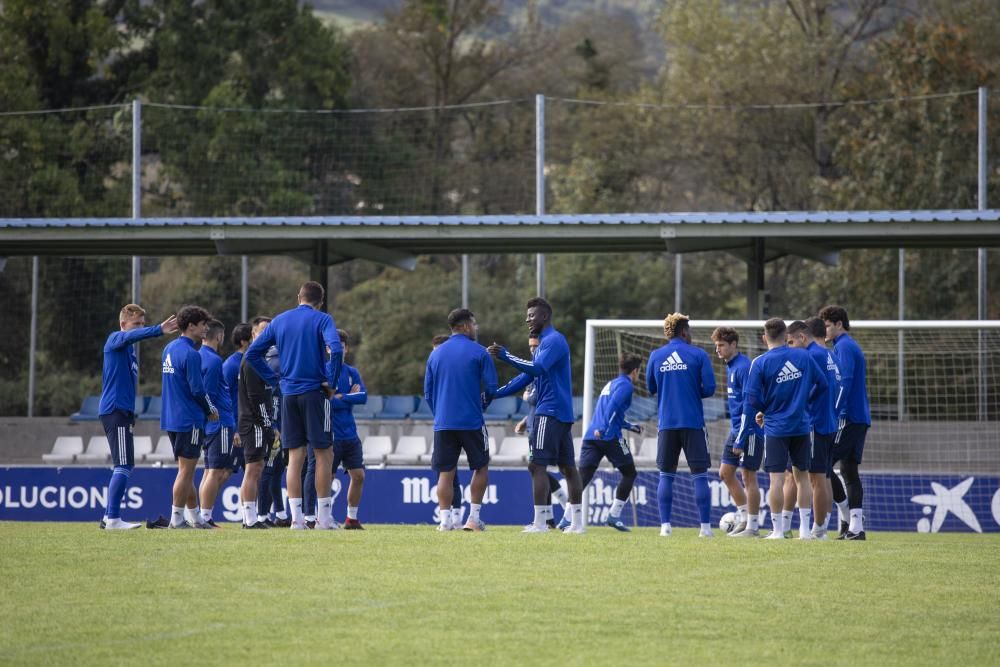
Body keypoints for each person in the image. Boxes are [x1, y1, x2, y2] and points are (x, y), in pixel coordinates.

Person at [245, 282, 342, 530]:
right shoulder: (323, 319)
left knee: (294, 457)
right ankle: (323, 518)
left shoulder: (279, 321)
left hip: (288, 395)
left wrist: (274, 379)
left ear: (298, 297)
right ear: (321, 301)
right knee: (323, 455)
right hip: (314, 393)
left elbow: (253, 353)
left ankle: (296, 520)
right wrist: (331, 382)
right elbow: (337, 349)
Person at [489, 297, 585, 534]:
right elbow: (527, 377)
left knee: (536, 465)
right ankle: (578, 524)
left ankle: (541, 523)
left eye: (531, 315)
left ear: (544, 316)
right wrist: (495, 394)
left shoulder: (553, 340)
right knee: (567, 467)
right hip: (560, 413)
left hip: (548, 411)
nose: (527, 319)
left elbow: (537, 369)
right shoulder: (544, 344)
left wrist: (506, 356)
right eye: (527, 315)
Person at [744, 318, 827, 540]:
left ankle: (778, 531)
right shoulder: (803, 356)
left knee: (776, 480)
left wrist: (766, 409)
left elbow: (751, 398)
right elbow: (824, 384)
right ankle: (805, 531)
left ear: (764, 338)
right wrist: (805, 403)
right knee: (802, 477)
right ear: (785, 337)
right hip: (801, 425)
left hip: (776, 428)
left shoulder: (760, 362)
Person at [98, 304, 178, 529]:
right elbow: (129, 337)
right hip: (115, 410)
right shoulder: (115, 339)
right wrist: (157, 330)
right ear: (123, 325)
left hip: (122, 412)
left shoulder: (130, 351)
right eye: (136, 324)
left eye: (143, 324)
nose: (139, 328)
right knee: (123, 464)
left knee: (126, 464)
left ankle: (108, 518)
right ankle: (113, 518)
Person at [425, 309, 498, 532]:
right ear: (466, 326)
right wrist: (481, 405)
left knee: (446, 472)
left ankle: (445, 521)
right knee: (481, 466)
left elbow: (428, 393)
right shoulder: (480, 353)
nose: (476, 329)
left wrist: (440, 413)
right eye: (474, 325)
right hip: (472, 422)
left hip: (444, 422)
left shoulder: (435, 354)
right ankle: (473, 519)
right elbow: (492, 387)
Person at [646, 313, 717, 537]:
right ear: (684, 332)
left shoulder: (656, 356)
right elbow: (710, 388)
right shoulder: (698, 354)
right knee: (699, 475)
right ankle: (705, 528)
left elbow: (650, 387)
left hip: (666, 424)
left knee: (666, 475)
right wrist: (691, 389)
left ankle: (665, 527)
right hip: (693, 423)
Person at [161, 305, 219, 529]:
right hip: (190, 420)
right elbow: (197, 390)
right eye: (203, 324)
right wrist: (210, 410)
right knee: (186, 472)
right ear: (191, 326)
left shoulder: (168, 349)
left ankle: (195, 518)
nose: (206, 328)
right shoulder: (192, 355)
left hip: (171, 419)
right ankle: (176, 519)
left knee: (186, 471)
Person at [305, 330, 368, 529]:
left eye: (341, 346)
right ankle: (323, 516)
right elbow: (325, 402)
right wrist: (346, 398)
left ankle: (351, 518)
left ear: (346, 349)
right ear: (327, 349)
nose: (338, 350)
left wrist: (341, 397)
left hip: (350, 434)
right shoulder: (322, 371)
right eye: (333, 346)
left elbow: (363, 397)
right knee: (327, 477)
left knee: (358, 475)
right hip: (330, 434)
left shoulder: (352, 372)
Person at [819, 304, 871, 540]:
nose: (825, 331)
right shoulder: (845, 346)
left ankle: (845, 519)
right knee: (849, 470)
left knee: (824, 463)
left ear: (839, 324)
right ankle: (855, 528)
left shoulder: (845, 347)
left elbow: (845, 382)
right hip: (858, 417)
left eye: (828, 326)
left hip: (848, 417)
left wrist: (835, 411)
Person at [789, 317, 841, 539]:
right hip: (830, 422)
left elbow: (814, 387)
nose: (790, 347)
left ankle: (818, 530)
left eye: (791, 342)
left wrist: (800, 403)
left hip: (816, 423)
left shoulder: (811, 355)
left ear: (802, 337)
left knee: (815, 478)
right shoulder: (829, 354)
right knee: (825, 477)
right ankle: (822, 527)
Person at [579, 354, 643, 531]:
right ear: (635, 371)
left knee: (582, 478)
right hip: (610, 436)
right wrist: (605, 428)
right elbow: (612, 408)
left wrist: (630, 426)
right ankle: (614, 515)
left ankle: (567, 519)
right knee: (630, 473)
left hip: (592, 435)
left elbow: (613, 413)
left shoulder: (612, 383)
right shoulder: (626, 386)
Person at [512, 333, 569, 530]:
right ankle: (549, 518)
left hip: (544, 424)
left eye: (535, 345)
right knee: (536, 469)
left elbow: (537, 397)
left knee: (537, 468)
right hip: (533, 425)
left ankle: (564, 503)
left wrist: (528, 396)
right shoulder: (531, 369)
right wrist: (524, 419)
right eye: (530, 346)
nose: (532, 349)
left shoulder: (543, 367)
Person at [711, 326, 764, 537]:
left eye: (722, 345)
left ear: (733, 344)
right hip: (736, 429)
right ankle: (743, 518)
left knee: (748, 476)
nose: (718, 350)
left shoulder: (744, 367)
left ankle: (752, 527)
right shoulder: (730, 366)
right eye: (716, 346)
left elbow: (750, 405)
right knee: (725, 473)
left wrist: (742, 437)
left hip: (749, 430)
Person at [198, 319, 237, 527]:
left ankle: (201, 517)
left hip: (210, 424)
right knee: (216, 471)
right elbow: (209, 393)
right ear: (220, 336)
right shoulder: (213, 361)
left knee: (208, 470)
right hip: (219, 422)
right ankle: (205, 517)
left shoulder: (199, 356)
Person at [238, 317, 274, 529]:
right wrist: (267, 423)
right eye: (262, 332)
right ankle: (250, 520)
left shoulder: (259, 359)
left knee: (255, 468)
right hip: (254, 423)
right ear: (253, 335)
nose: (267, 336)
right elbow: (255, 396)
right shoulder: (252, 361)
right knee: (254, 468)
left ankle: (248, 518)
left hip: (255, 421)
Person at [432, 333, 465, 528]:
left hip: (453, 424)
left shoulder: (452, 373)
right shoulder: (436, 370)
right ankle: (450, 519)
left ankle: (455, 518)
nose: (435, 355)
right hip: (442, 423)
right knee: (446, 472)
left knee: (448, 472)